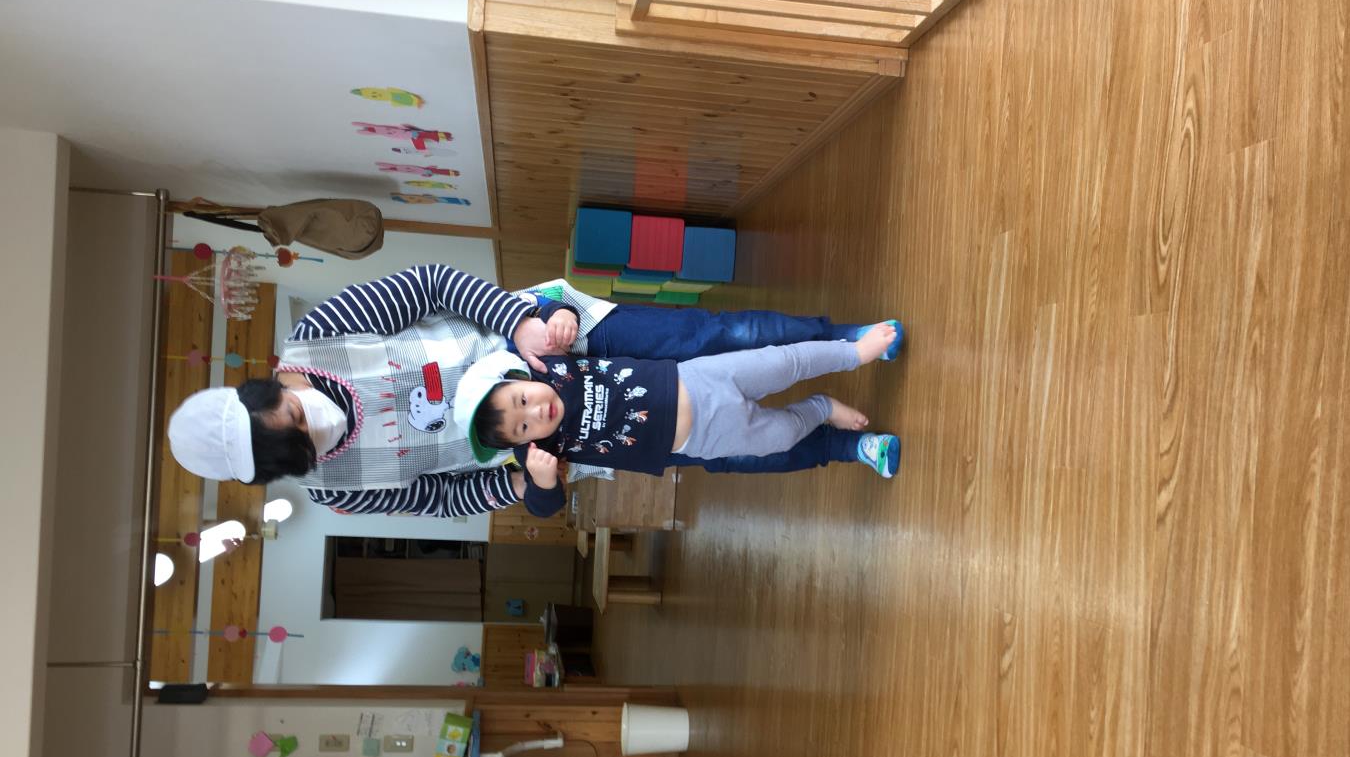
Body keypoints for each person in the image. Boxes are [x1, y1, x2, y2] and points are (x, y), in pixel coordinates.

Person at [166, 263, 883, 517]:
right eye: (305, 447)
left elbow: (430, 284)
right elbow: (440, 499)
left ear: (265, 390)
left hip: (558, 344)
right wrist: (522, 482)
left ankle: (843, 343)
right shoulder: (337, 491)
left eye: (298, 413)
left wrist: (520, 323)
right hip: (560, 429)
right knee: (724, 450)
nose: (317, 427)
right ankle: (840, 444)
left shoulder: (320, 336)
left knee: (717, 339)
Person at [464, 324, 904, 518]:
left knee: (784, 362)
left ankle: (854, 352)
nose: (535, 413)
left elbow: (556, 309)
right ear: (522, 443)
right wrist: (543, 482)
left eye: (523, 400)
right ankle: (823, 408)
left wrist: (559, 317)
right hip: (704, 438)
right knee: (783, 435)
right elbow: (543, 508)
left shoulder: (550, 366)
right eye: (523, 427)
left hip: (700, 380)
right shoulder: (544, 451)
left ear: (520, 377)